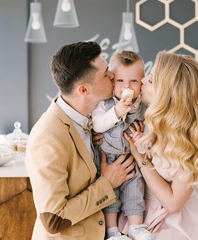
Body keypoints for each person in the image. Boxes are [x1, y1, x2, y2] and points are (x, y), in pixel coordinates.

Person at [25, 41, 136, 240]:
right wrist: (107, 183)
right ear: (84, 90)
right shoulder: (48, 136)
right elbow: (54, 219)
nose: (113, 76)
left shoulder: (90, 120)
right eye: (105, 74)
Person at [122, 51, 198, 239]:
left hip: (177, 221)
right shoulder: (149, 119)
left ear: (168, 93)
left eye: (150, 80)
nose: (142, 80)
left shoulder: (188, 141)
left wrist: (141, 159)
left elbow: (173, 204)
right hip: (142, 211)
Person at [92, 51, 152, 240]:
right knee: (111, 196)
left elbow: (152, 131)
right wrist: (117, 111)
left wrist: (143, 137)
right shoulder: (104, 104)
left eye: (133, 81)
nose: (126, 86)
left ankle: (136, 226)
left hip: (132, 161)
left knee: (136, 190)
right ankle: (112, 232)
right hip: (108, 160)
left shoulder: (144, 107)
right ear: (112, 80)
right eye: (120, 81)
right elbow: (98, 124)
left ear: (141, 82)